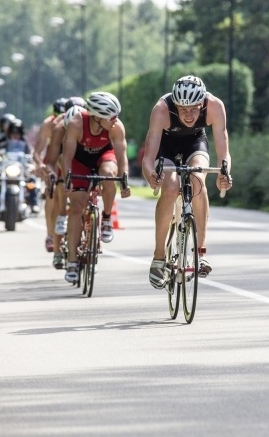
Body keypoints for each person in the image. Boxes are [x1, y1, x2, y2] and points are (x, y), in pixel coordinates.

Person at [141, 75, 233, 289]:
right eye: (183, 109)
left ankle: (200, 252)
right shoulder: (161, 109)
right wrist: (151, 175)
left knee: (198, 181)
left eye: (194, 108)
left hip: (195, 143)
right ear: (175, 103)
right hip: (167, 147)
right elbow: (148, 157)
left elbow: (223, 152)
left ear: (202, 102)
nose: (189, 114)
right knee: (171, 187)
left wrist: (224, 173)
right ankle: (159, 256)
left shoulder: (215, 106)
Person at [61, 92, 131, 283]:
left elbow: (121, 157)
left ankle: (106, 218)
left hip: (104, 156)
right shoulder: (76, 123)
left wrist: (124, 181)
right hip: (79, 161)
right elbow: (66, 157)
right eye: (112, 116)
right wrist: (68, 180)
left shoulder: (116, 128)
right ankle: (73, 262)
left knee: (109, 174)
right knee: (76, 207)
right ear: (98, 116)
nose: (116, 120)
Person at [44, 103, 86, 269]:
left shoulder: (86, 127)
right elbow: (53, 160)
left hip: (82, 161)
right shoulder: (59, 128)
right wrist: (52, 175)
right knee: (60, 188)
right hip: (64, 165)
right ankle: (57, 251)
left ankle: (92, 234)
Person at [33, 98, 69, 253]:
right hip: (53, 161)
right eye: (58, 116)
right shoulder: (48, 125)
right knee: (52, 196)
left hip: (71, 159)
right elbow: (37, 151)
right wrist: (40, 164)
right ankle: (50, 234)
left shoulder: (76, 122)